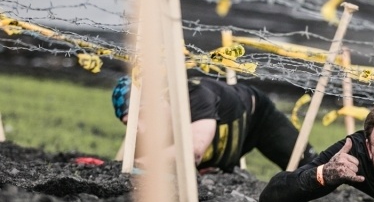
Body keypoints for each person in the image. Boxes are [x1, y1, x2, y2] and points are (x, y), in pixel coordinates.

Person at [111, 75, 316, 173]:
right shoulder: (144, 137)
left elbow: (194, 149)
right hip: (224, 150)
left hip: (256, 119)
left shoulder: (193, 94)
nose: (141, 128)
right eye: (130, 124)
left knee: (310, 168)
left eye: (142, 115)